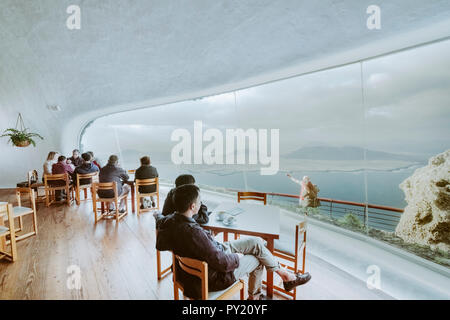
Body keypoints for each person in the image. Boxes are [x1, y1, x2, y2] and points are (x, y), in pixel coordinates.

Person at [155, 184, 311, 300]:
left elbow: (162, 238)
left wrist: (207, 236)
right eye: (199, 201)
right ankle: (255, 297)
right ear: (193, 206)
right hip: (215, 276)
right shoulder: (192, 232)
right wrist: (238, 257)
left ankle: (285, 276)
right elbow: (222, 263)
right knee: (258, 258)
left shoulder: (170, 221)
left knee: (256, 243)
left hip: (209, 256)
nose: (201, 203)